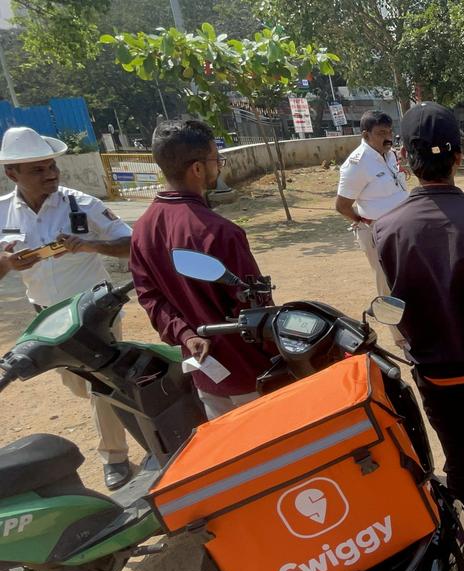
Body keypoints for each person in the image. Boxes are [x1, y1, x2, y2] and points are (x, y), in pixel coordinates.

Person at [373, 101, 464, 564]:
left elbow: (392, 307)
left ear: (404, 158)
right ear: (459, 156)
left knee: (457, 458)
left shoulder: (387, 229)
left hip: (435, 370)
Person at [0, 127, 135, 490]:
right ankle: (140, 410)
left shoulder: (83, 205)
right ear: (12, 173)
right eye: (38, 170)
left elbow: (131, 244)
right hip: (47, 320)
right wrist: (9, 263)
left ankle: (115, 458)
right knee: (80, 385)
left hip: (94, 313)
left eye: (52, 166)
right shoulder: (1, 212)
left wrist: (91, 245)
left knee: (101, 387)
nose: (51, 174)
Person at [129, 119, 273, 420]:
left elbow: (150, 297)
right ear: (197, 168)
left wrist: (185, 335)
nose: (218, 166)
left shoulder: (142, 230)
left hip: (205, 373)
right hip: (251, 373)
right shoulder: (220, 232)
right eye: (215, 159)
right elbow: (254, 309)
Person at [335, 110, 408, 297]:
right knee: (386, 280)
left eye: (390, 131)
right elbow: (342, 206)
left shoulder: (389, 155)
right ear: (366, 135)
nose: (388, 137)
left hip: (403, 228)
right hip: (377, 231)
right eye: (381, 133)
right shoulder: (357, 164)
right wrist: (364, 221)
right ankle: (392, 317)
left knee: (406, 276)